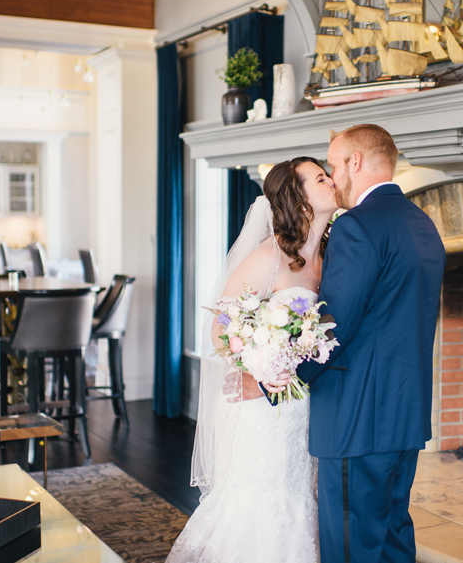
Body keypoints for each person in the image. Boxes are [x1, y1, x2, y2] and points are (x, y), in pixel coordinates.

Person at [265, 124, 446, 563]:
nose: (333, 175)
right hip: (405, 416)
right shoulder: (423, 224)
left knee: (349, 547)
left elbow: (334, 327)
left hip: (357, 419)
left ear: (356, 162)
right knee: (392, 538)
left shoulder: (358, 227)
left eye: (333, 165)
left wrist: (284, 379)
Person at [166, 156, 337, 563]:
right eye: (320, 177)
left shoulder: (330, 253)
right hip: (262, 409)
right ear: (299, 198)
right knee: (259, 502)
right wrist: (260, 374)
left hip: (304, 404)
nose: (331, 180)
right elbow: (221, 327)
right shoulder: (268, 256)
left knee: (296, 498)